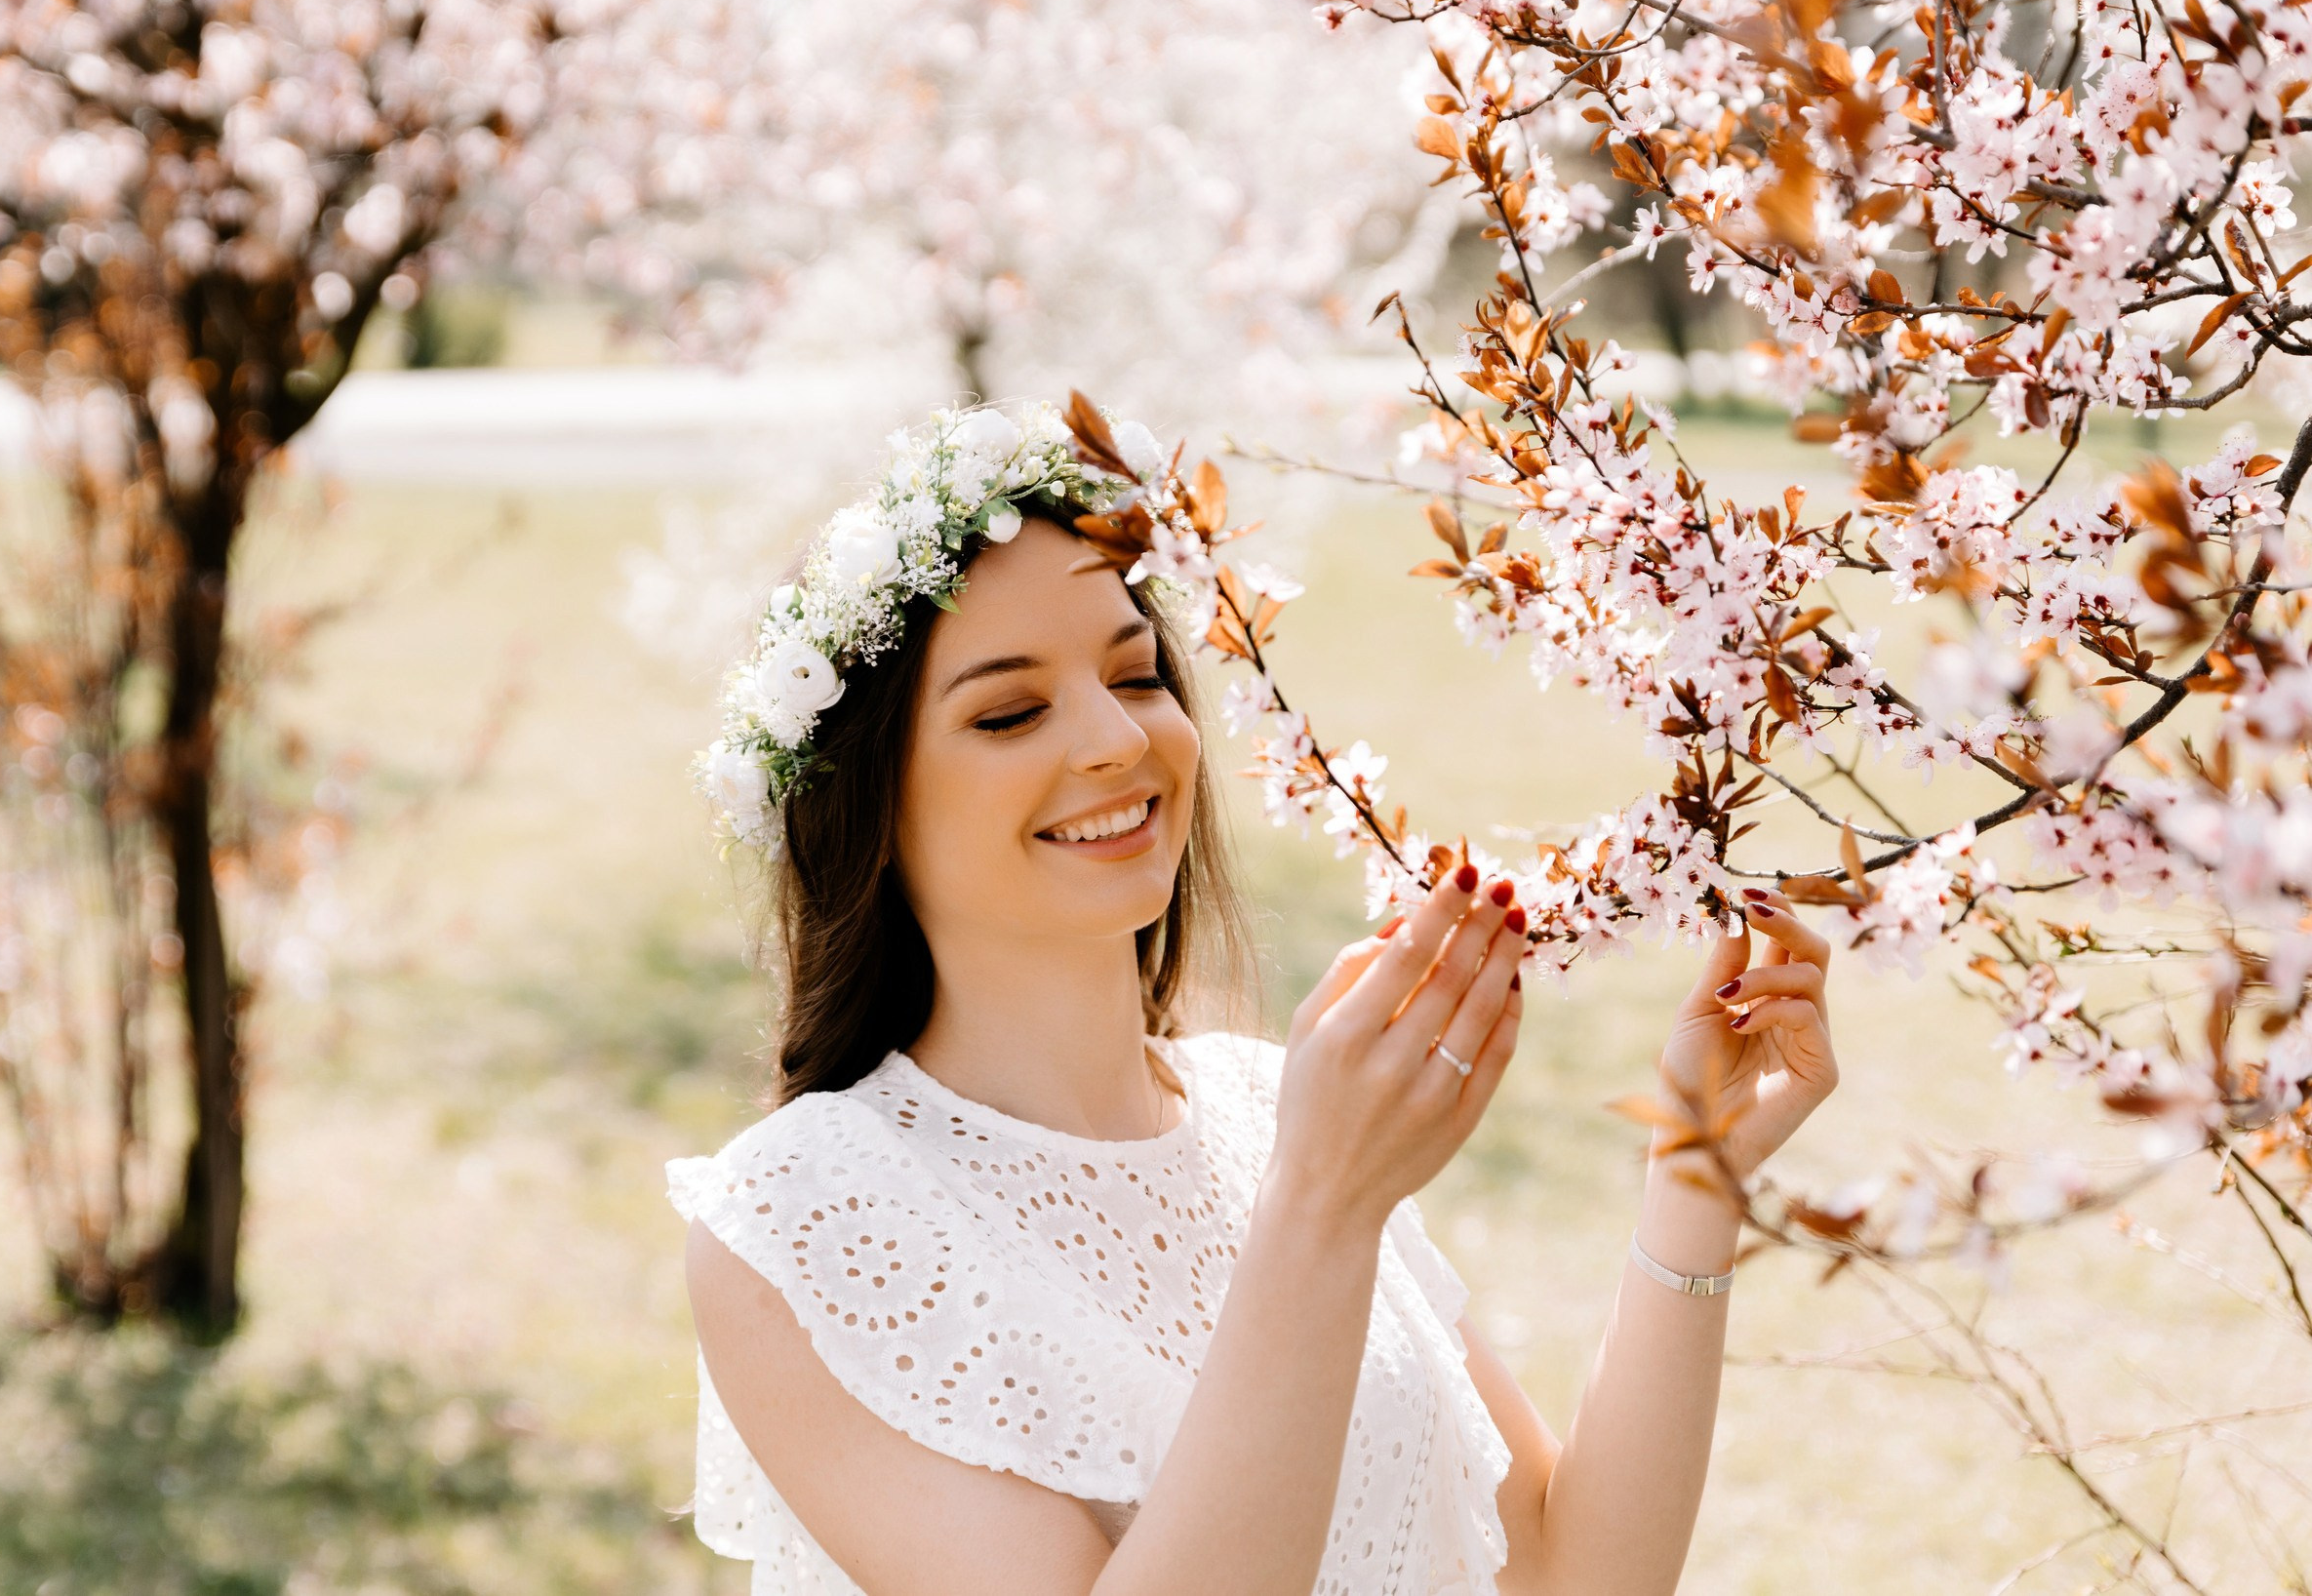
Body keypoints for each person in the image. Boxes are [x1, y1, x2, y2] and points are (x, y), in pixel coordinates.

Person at [665, 398, 1843, 1595]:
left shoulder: (1267, 1109)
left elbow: (1572, 1573)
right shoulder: (797, 1223)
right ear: (869, 815)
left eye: (1135, 676)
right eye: (1010, 711)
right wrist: (1322, 1206)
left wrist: (1696, 1176)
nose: (1117, 740)